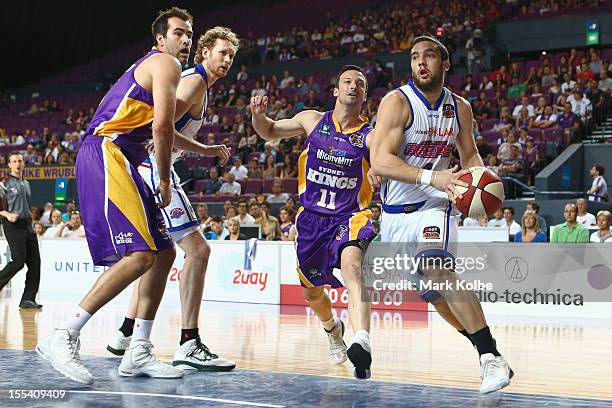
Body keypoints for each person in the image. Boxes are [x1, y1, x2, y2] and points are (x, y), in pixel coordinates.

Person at [36, 8, 195, 384]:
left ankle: (138, 349)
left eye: (189, 33)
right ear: (160, 40)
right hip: (108, 152)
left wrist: (205, 150)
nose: (185, 39)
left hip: (122, 155)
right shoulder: (166, 64)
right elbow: (161, 126)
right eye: (178, 33)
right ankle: (64, 334)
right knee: (140, 255)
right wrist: (167, 179)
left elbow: (163, 125)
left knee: (165, 251)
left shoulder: (161, 68)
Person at [370, 36, 513, 394]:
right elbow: (381, 161)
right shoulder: (397, 102)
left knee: (437, 268)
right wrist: (432, 175)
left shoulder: (460, 107)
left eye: (429, 56)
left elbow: (469, 155)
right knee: (432, 294)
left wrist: (479, 191)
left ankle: (490, 355)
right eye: (415, 56)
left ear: (445, 64)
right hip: (394, 214)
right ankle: (483, 348)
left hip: (437, 204)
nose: (421, 62)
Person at [107, 26, 237, 372]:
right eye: (222, 52)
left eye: (232, 56)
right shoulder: (194, 81)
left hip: (152, 165)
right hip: (154, 166)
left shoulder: (200, 84)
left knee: (157, 253)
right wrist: (204, 149)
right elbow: (158, 124)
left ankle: (125, 333)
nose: (227, 60)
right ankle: (188, 341)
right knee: (197, 250)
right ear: (205, 51)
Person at [251, 65, 377, 379]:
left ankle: (362, 341)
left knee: (352, 269)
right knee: (312, 293)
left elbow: (389, 159)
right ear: (336, 90)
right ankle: (333, 330)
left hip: (350, 215)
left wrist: (381, 170)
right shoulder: (312, 119)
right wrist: (257, 115)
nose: (353, 86)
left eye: (359, 84)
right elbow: (269, 131)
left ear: (363, 95)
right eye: (347, 81)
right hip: (311, 221)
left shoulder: (370, 135)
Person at [0, 153, 42, 309]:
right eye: (14, 161)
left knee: (35, 262)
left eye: (20, 161)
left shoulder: (26, 183)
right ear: (9, 165)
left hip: (27, 224)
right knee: (18, 261)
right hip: (13, 225)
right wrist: (7, 214)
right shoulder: (4, 183)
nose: (18, 163)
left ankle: (28, 299)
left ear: (24, 164)